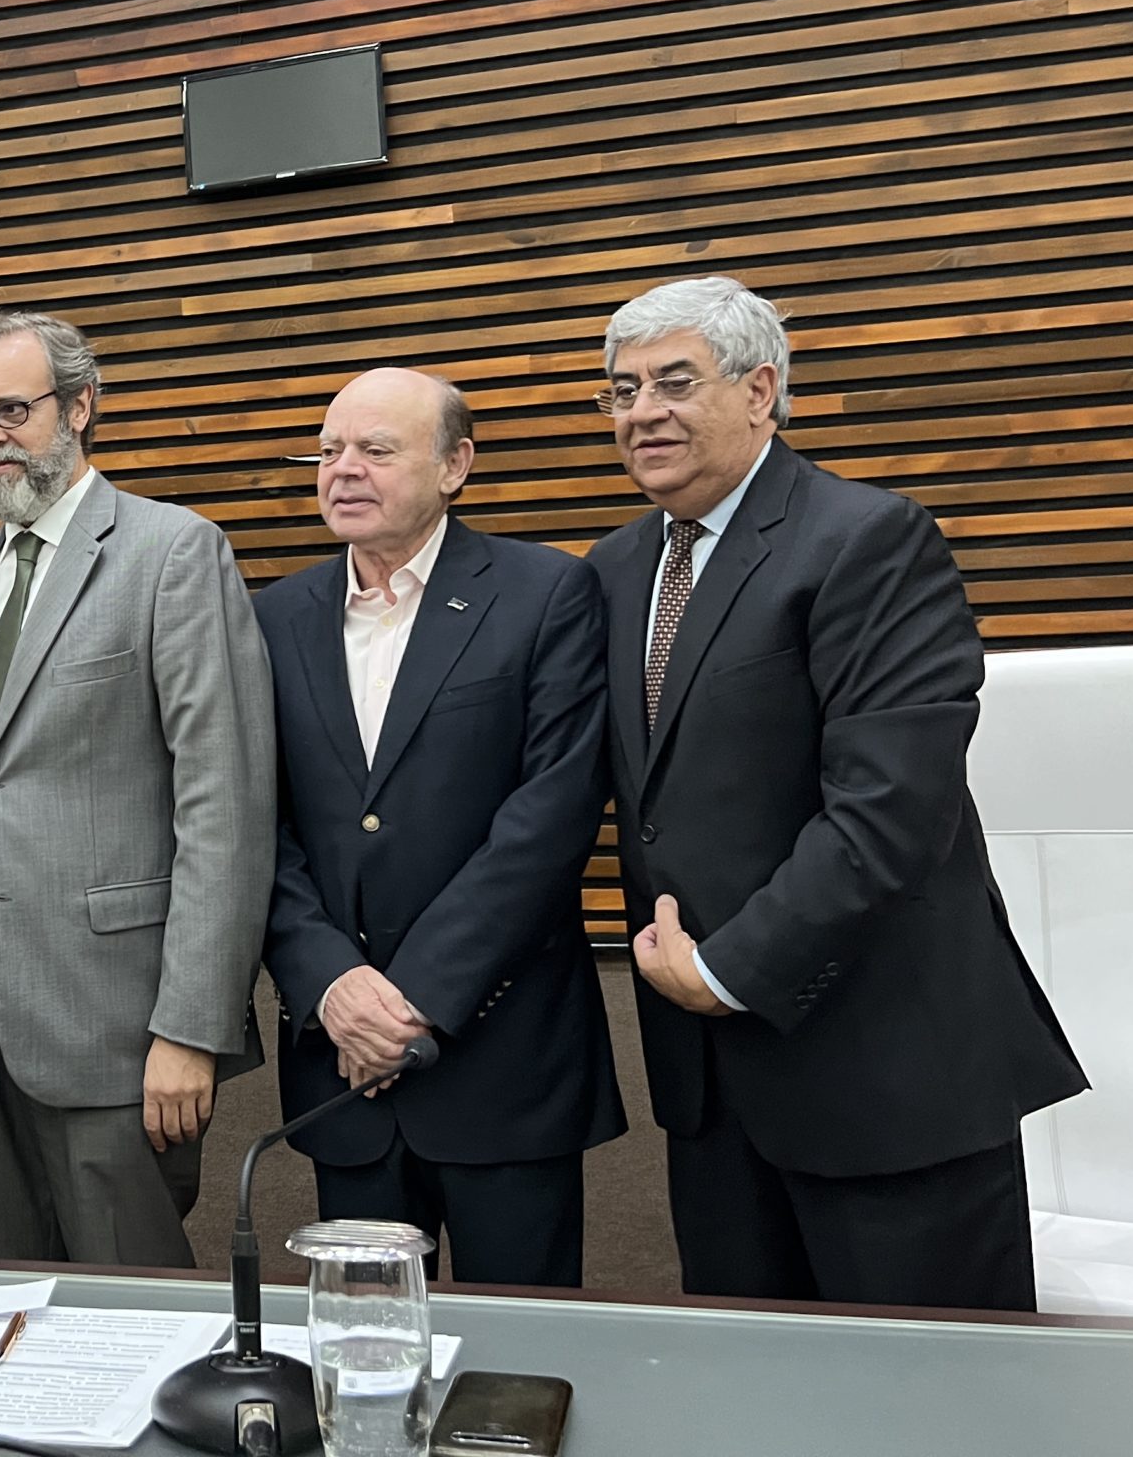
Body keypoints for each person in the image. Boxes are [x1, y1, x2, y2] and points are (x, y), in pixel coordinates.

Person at [588, 276, 1085, 1310]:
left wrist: (727, 970)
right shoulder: (616, 568)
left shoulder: (868, 538)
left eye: (673, 382)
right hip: (712, 1086)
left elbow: (890, 808)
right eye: (622, 391)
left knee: (930, 1383)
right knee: (750, 1374)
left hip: (885, 1075)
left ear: (760, 389)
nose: (642, 413)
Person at [0, 310, 273, 1268]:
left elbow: (225, 804)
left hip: (119, 1027)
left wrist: (191, 1029)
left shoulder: (173, 552)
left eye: (12, 411)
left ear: (80, 407)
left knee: (133, 1308)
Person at [259, 367, 623, 1288]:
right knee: (361, 1339)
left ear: (455, 465)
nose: (343, 469)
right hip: (341, 1063)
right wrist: (331, 985)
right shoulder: (273, 617)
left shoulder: (546, 592)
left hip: (503, 1056)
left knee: (524, 1346)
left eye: (375, 450)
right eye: (329, 450)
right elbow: (254, 825)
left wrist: (410, 1001)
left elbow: (551, 815)